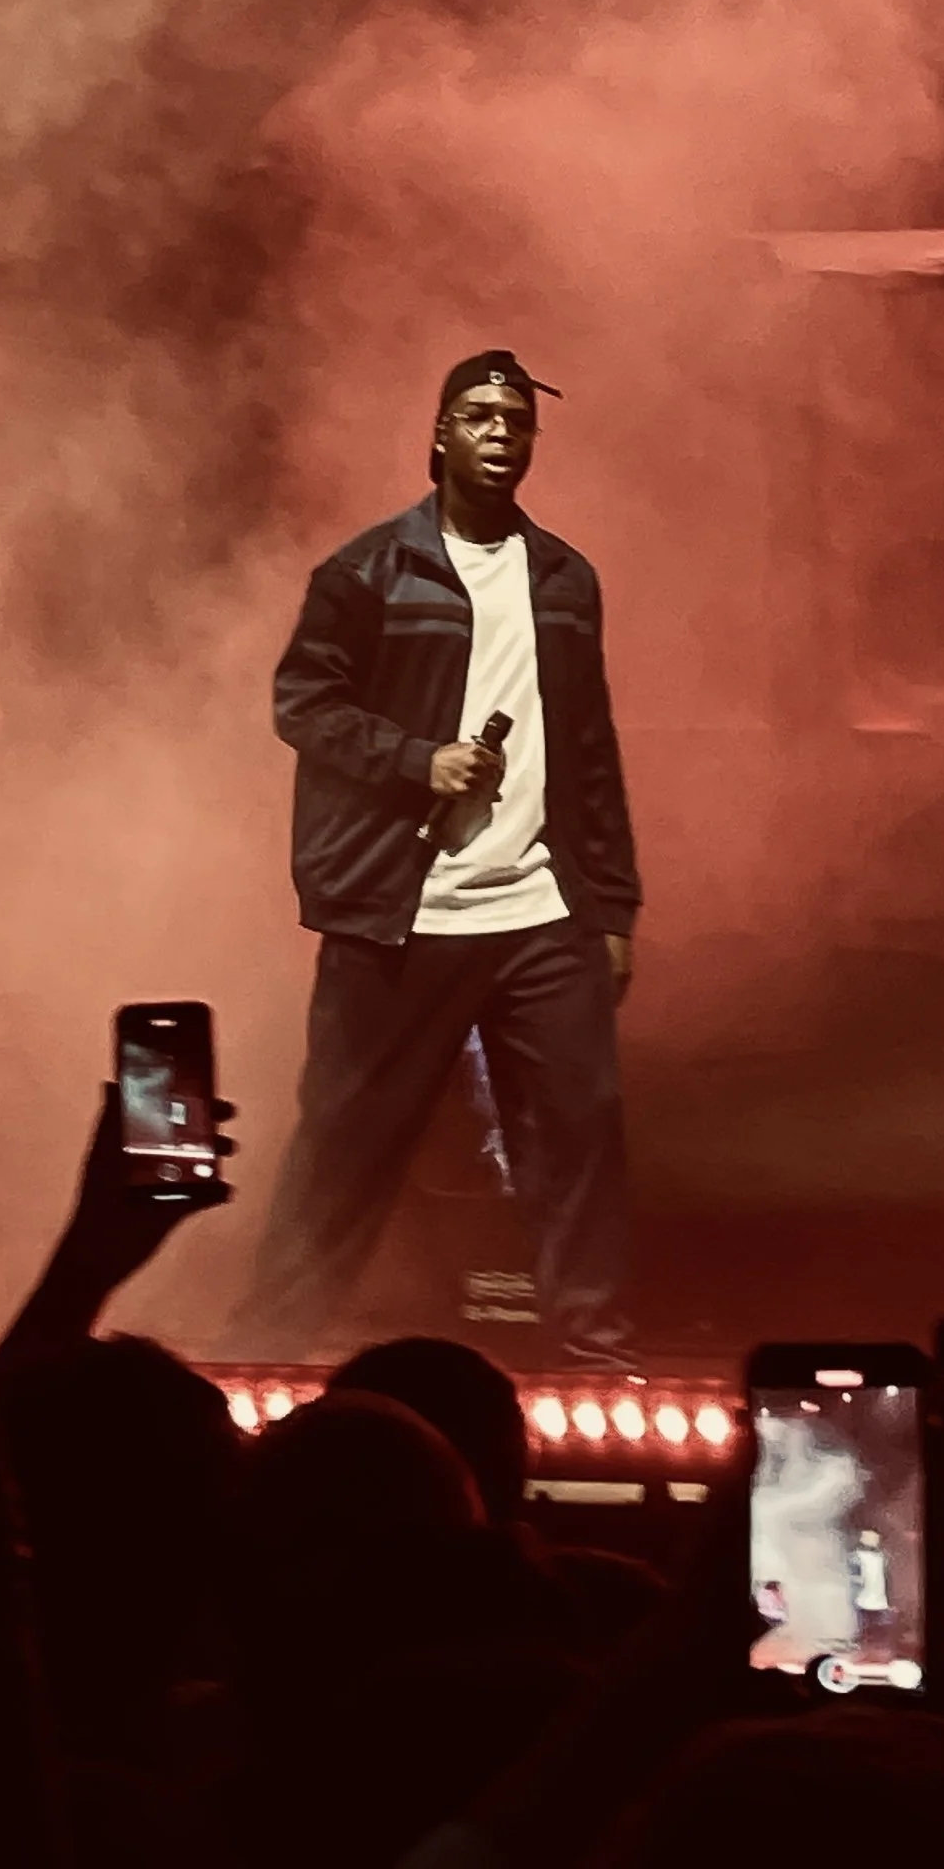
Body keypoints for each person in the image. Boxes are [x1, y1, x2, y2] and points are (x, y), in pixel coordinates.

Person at [244, 351, 641, 1371]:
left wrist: (614, 906)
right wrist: (423, 762)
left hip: (539, 909)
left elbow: (589, 746)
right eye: (478, 416)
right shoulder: (367, 571)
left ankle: (592, 1346)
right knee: (347, 1141)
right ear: (439, 438)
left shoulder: (564, 577)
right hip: (402, 906)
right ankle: (268, 1349)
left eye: (516, 420)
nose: (501, 432)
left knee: (579, 1130)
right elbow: (304, 705)